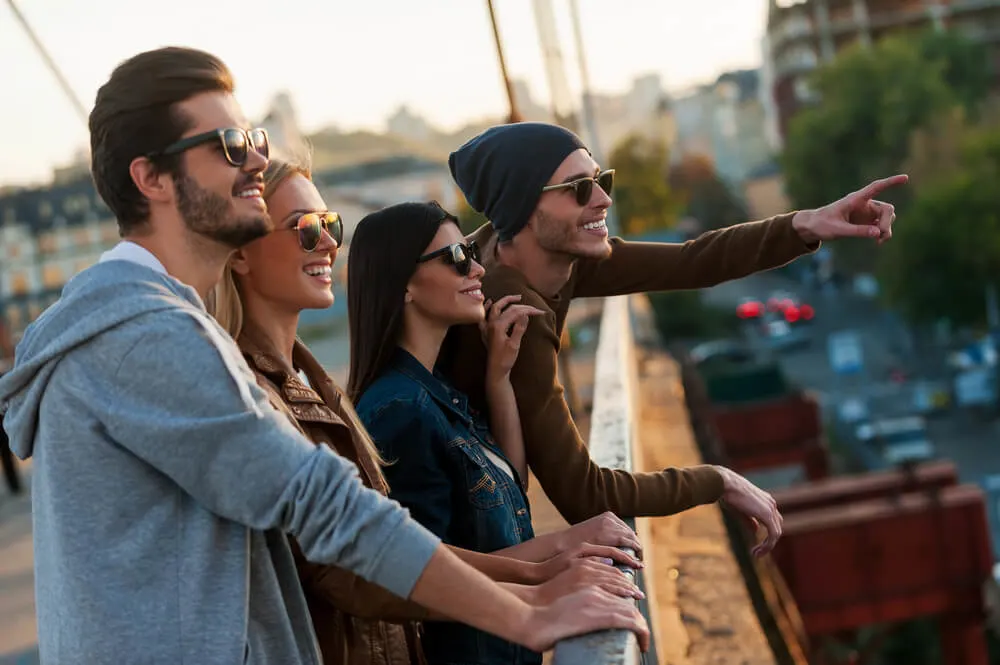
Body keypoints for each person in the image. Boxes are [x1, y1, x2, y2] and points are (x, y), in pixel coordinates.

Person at [0, 50, 648, 665]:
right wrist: (529, 611)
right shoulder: (143, 335)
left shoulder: (153, 324)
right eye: (229, 147)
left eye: (253, 139)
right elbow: (326, 507)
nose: (256, 161)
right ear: (150, 178)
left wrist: (535, 580)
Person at [208, 156, 645, 665]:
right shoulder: (285, 403)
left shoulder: (321, 389)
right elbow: (365, 567)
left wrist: (498, 378)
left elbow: (497, 498)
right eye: (305, 228)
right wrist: (544, 578)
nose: (328, 242)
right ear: (239, 255)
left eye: (330, 225)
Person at [442, 121, 908, 552]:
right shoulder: (512, 309)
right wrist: (716, 481)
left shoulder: (530, 250)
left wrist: (807, 223)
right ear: (521, 206)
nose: (603, 200)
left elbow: (692, 260)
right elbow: (584, 495)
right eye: (579, 189)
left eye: (602, 181)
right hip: (454, 531)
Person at [348, 201, 642, 665]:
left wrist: (498, 378)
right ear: (404, 283)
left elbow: (510, 485)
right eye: (457, 258)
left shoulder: (434, 387)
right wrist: (555, 560)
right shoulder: (399, 409)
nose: (478, 268)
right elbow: (424, 570)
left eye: (471, 250)